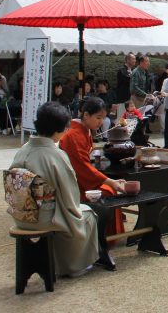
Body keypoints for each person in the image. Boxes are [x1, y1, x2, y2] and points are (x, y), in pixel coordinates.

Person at [7, 101, 99, 277]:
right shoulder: (55, 155)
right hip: (43, 217)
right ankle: (73, 265)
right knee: (88, 215)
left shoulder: (23, 150)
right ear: (57, 130)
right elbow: (70, 197)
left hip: (20, 215)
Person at [58, 97, 126, 237]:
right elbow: (82, 167)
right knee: (108, 190)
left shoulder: (82, 130)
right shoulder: (74, 134)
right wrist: (109, 181)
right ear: (86, 115)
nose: (101, 122)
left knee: (110, 188)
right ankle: (104, 236)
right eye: (98, 117)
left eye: (103, 118)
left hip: (81, 179)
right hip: (73, 185)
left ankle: (109, 234)